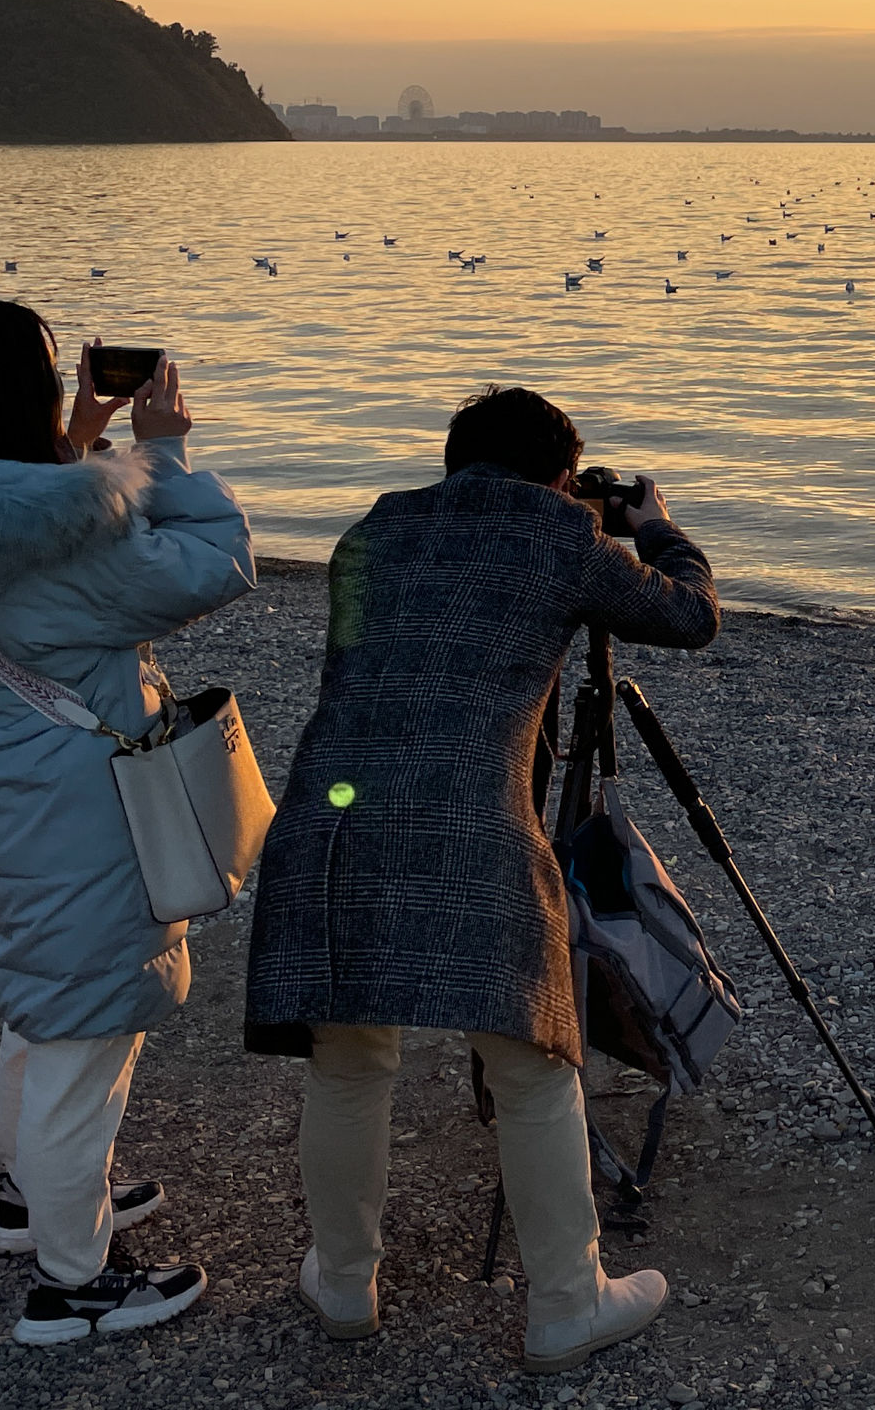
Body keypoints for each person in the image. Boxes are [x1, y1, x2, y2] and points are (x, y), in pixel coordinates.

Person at [241, 386, 719, 1373]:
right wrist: (654, 527)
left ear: (456, 462)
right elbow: (689, 617)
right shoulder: (561, 538)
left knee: (349, 1059)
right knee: (534, 1064)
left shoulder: (374, 528)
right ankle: (566, 1302)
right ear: (558, 474)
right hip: (471, 825)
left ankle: (344, 1282)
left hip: (331, 817)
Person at [0, 298, 256, 1346]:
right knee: (85, 1035)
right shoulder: (66, 536)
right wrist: (166, 453)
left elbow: (27, 515)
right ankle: (74, 1282)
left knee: (40, 998)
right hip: (82, 798)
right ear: (19, 389)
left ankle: (31, 1199)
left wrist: (78, 442)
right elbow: (210, 569)